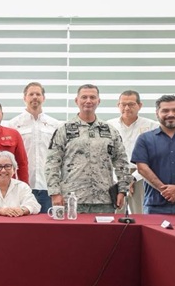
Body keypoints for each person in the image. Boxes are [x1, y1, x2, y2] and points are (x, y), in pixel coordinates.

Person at [45, 84, 131, 213]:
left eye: (92, 97)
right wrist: (55, 193)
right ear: (77, 100)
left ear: (98, 101)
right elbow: (52, 163)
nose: (88, 101)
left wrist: (123, 191)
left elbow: (121, 162)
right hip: (72, 199)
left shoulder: (110, 131)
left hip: (104, 200)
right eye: (84, 97)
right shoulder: (64, 130)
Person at [6, 82, 62, 213]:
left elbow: (60, 156)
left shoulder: (55, 125)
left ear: (44, 98)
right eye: (31, 94)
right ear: (24, 98)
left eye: (38, 94)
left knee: (48, 223)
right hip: (21, 186)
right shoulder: (13, 124)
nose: (35, 97)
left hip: (48, 187)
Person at [107, 90, 158, 215]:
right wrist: (121, 180)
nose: (127, 108)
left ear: (139, 105)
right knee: (115, 214)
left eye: (131, 104)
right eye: (123, 104)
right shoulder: (108, 126)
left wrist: (133, 178)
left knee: (140, 214)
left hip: (142, 174)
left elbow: (154, 157)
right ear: (118, 105)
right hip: (115, 174)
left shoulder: (152, 127)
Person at [0, 151, 41, 217]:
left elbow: (34, 205)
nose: (3, 170)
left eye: (7, 166)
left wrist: (22, 210)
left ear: (14, 169)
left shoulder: (22, 186)